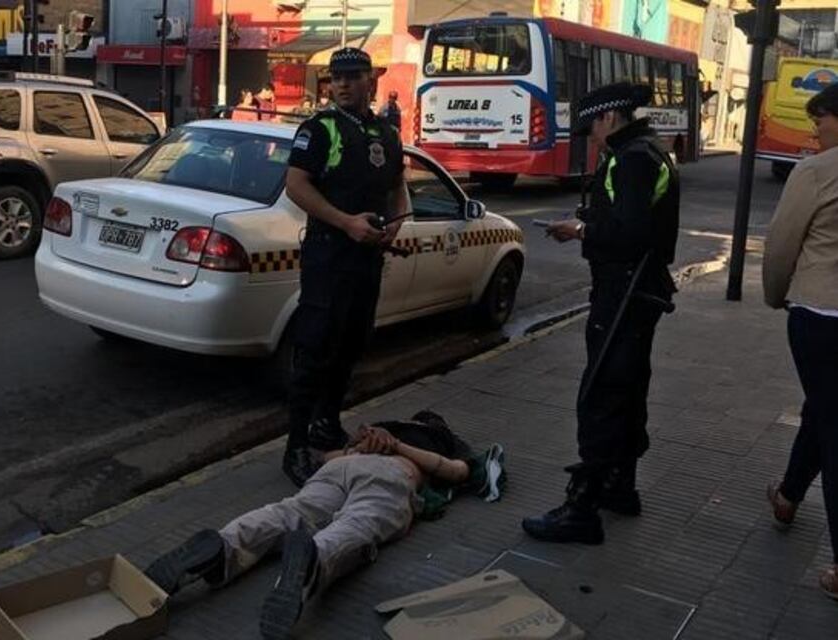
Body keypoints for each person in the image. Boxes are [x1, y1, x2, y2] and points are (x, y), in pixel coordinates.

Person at [144, 411, 504, 640]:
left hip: (340, 468)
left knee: (288, 511)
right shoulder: (441, 441)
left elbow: (326, 457)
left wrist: (365, 447)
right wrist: (394, 449)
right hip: (393, 475)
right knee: (362, 521)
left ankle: (223, 547)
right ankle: (314, 561)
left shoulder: (381, 430)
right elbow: (456, 471)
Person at [522, 82, 679, 544]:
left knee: (601, 394)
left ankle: (582, 507)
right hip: (640, 291)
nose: (591, 136)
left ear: (609, 118)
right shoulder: (650, 152)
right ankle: (620, 487)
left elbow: (628, 234)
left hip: (623, 292)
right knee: (627, 391)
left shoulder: (630, 159)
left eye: (591, 126)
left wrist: (580, 230)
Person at [280, 47, 408, 486]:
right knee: (314, 348)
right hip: (328, 255)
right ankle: (296, 445)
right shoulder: (319, 129)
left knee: (351, 344)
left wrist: (396, 223)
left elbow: (398, 187)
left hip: (366, 258)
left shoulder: (385, 132)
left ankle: (327, 425)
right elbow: (296, 186)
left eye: (353, 76)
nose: (343, 84)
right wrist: (346, 223)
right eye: (337, 77)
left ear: (370, 80)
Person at [763, 82, 838, 600]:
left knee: (833, 425)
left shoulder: (816, 172)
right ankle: (788, 494)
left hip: (821, 317)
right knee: (825, 410)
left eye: (821, 120)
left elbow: (781, 244)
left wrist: (774, 296)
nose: (815, 130)